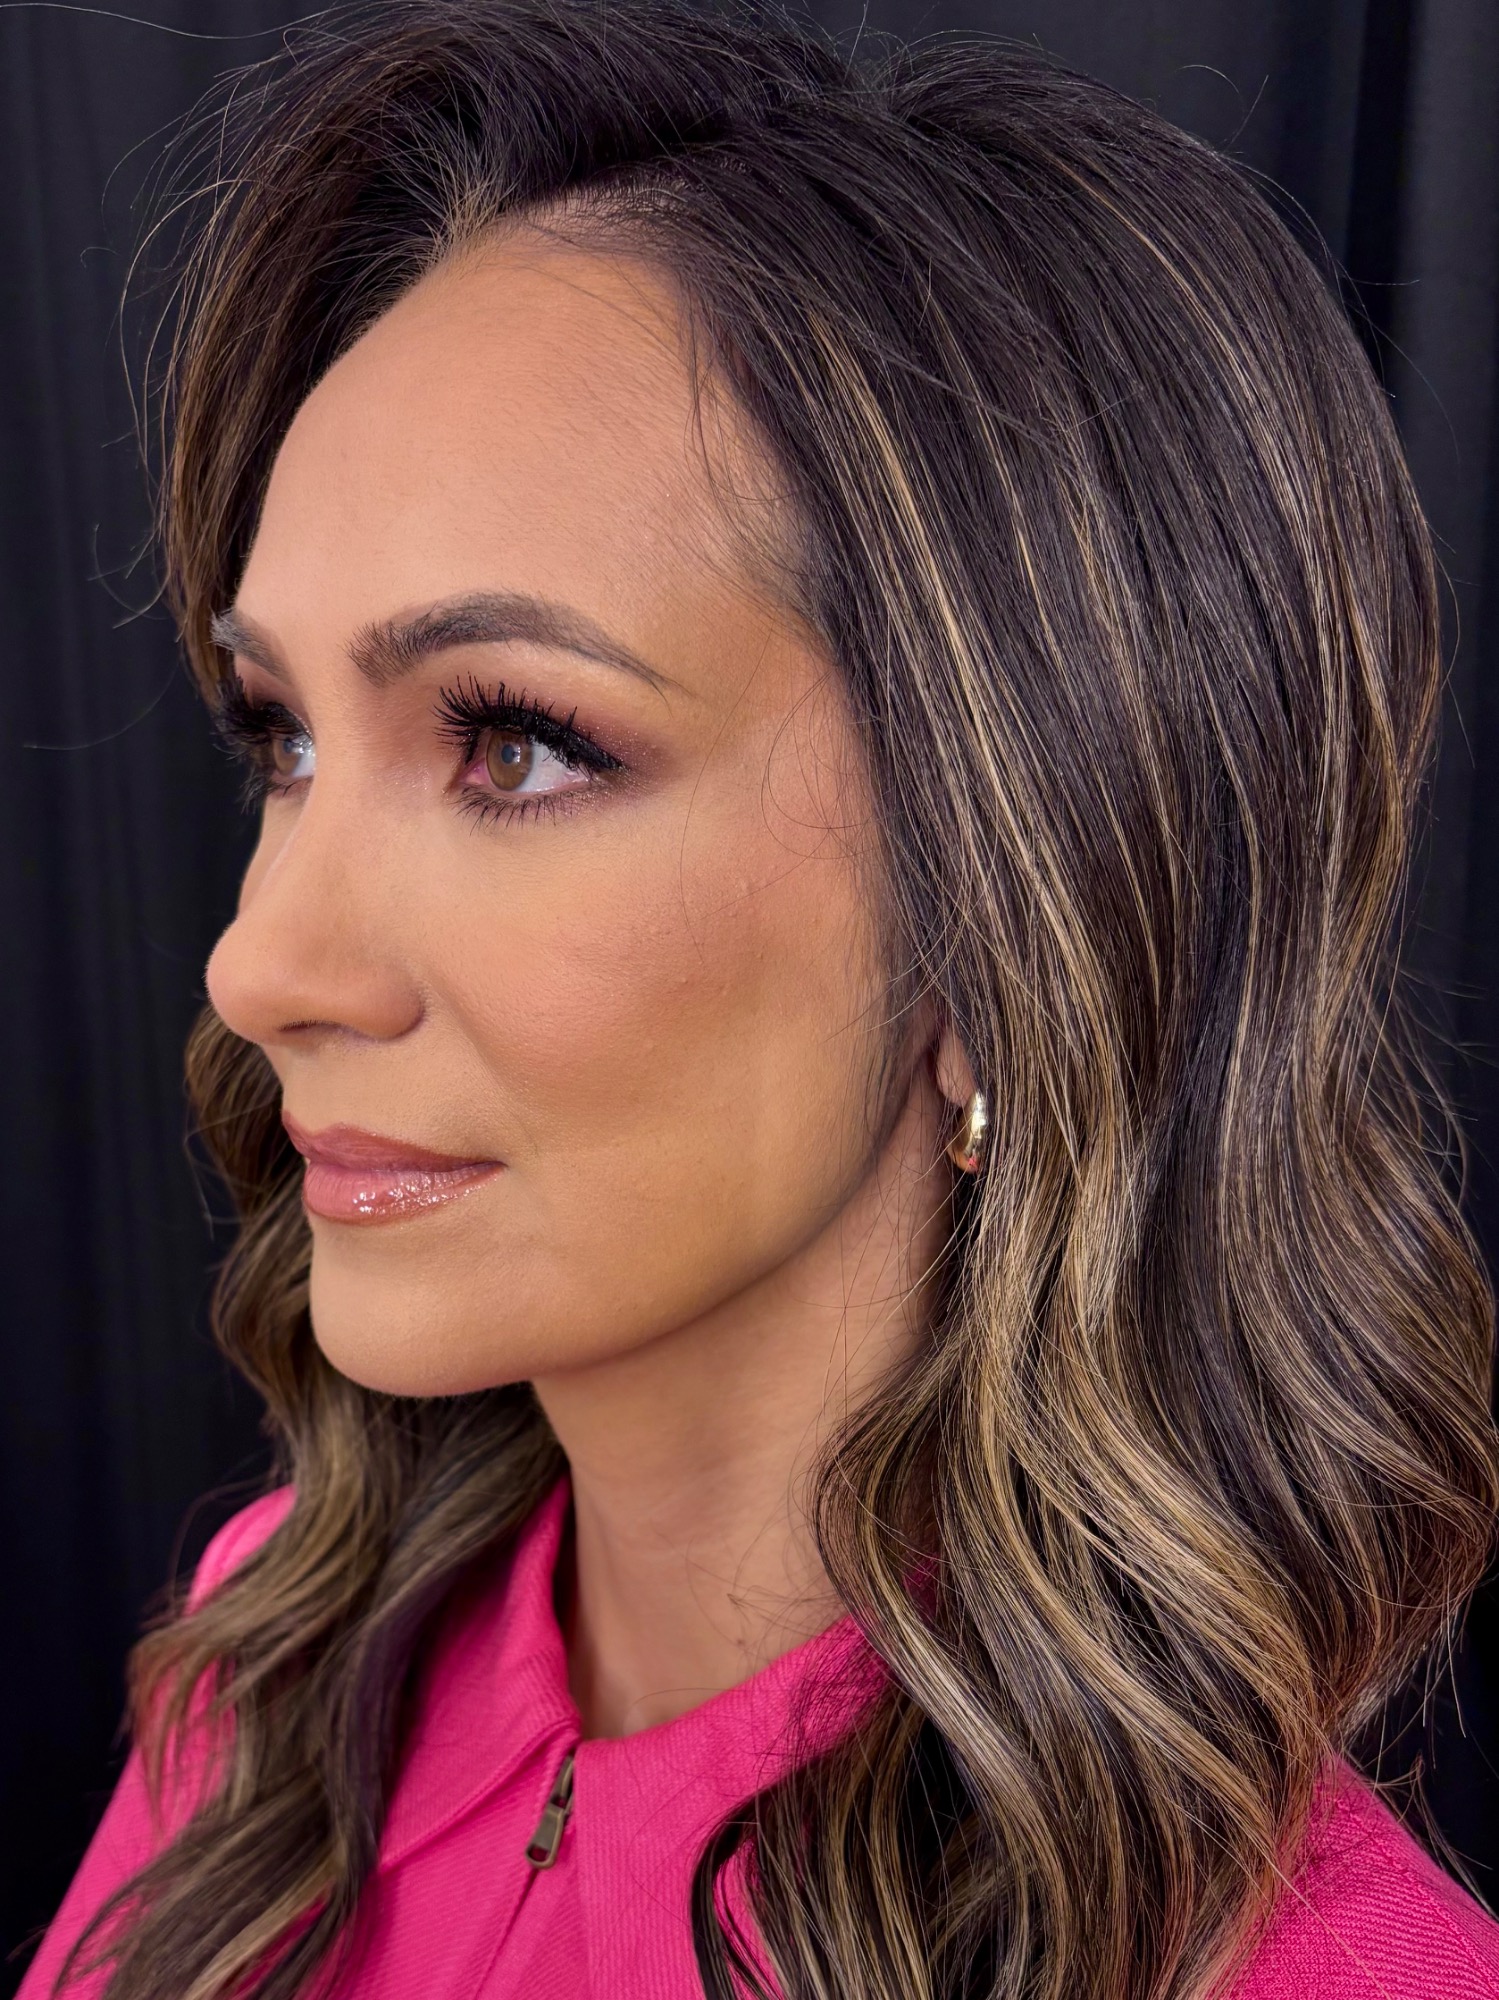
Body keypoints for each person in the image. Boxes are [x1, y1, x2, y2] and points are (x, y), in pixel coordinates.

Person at [20, 1, 1499, 1995]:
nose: (259, 964)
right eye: (281, 735)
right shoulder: (273, 1675)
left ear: (1012, 905)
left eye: (515, 743)